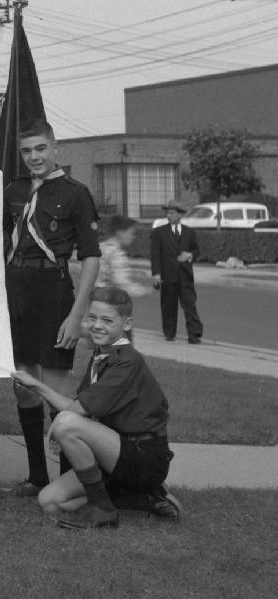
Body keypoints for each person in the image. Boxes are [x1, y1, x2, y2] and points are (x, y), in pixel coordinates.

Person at [11, 286, 181, 528]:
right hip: (114, 452)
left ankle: (102, 507)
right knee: (49, 501)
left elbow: (75, 411)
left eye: (107, 320)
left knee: (66, 422)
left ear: (127, 324)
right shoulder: (103, 354)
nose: (97, 325)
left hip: (144, 457)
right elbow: (83, 407)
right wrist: (62, 427)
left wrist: (35, 385)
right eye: (91, 317)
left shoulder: (126, 361)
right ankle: (139, 497)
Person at [4, 119, 100, 496]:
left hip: (54, 291)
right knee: (23, 385)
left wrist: (77, 315)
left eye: (40, 149)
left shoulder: (76, 193)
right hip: (16, 289)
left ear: (54, 146)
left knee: (57, 389)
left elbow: (91, 259)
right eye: (27, 151)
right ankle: (35, 477)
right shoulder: (13, 190)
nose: (34, 157)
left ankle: (65, 479)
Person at [150, 199, 203, 344]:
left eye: (172, 213)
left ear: (180, 215)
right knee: (168, 306)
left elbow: (196, 250)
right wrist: (156, 273)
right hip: (167, 275)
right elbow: (155, 254)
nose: (168, 216)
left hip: (185, 275)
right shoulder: (159, 232)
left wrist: (190, 255)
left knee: (190, 305)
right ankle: (169, 333)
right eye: (167, 213)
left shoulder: (189, 232)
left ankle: (194, 335)